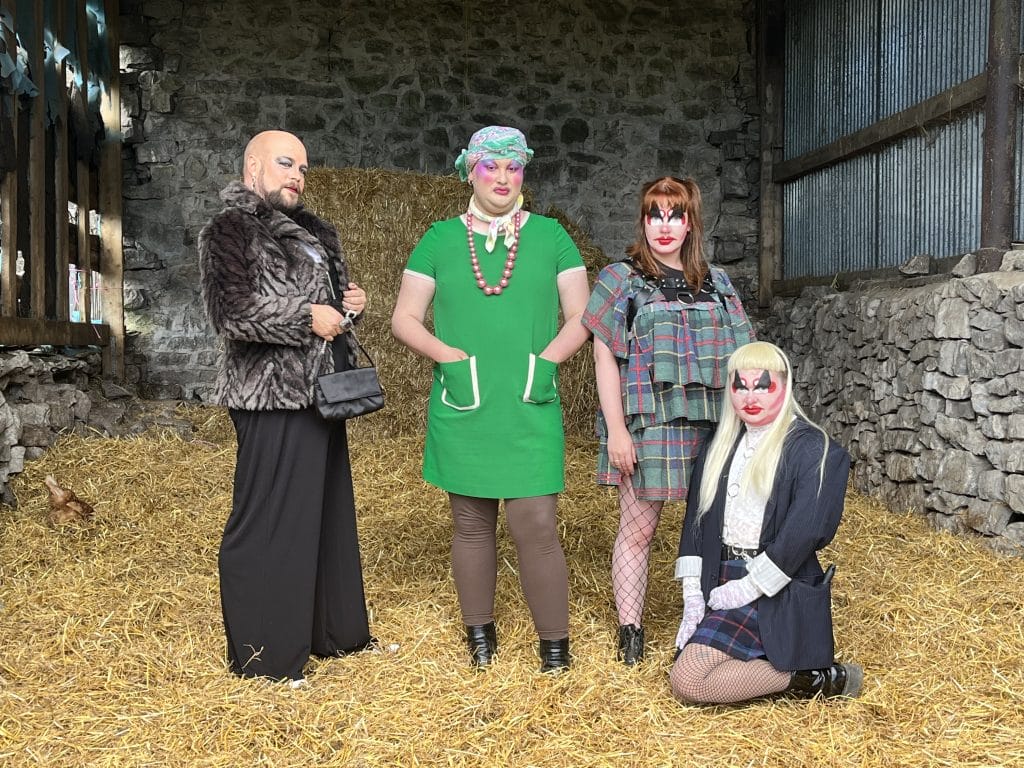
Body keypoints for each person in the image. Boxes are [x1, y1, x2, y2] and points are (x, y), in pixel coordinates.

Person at [391, 126, 590, 672]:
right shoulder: (438, 239)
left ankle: (554, 645)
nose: (503, 178)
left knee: (536, 525)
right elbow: (403, 320)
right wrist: (449, 359)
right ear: (470, 171)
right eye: (490, 167)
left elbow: (583, 318)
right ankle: (479, 634)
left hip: (530, 402)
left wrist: (546, 363)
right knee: (472, 524)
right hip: (466, 404)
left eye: (513, 167)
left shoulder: (553, 237)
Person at [199, 129, 374, 685]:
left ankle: (335, 637)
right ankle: (265, 659)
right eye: (284, 163)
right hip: (268, 395)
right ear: (253, 168)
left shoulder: (315, 232)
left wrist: (350, 306)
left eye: (302, 166)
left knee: (324, 517)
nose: (297, 174)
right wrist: (306, 316)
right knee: (268, 521)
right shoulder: (229, 229)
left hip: (320, 394)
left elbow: (330, 313)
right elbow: (232, 314)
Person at [581, 177, 754, 665]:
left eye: (674, 215)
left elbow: (748, 357)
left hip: (717, 425)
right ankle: (630, 633)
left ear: (690, 222)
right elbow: (603, 359)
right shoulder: (621, 279)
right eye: (654, 215)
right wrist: (616, 429)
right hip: (650, 423)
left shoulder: (718, 283)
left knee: (719, 530)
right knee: (638, 530)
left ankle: (710, 626)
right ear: (642, 220)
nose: (663, 226)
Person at [670, 341, 863, 704]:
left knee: (689, 682)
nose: (749, 396)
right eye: (740, 385)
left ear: (785, 385)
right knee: (689, 666)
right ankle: (795, 671)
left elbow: (805, 534)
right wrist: (693, 597)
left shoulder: (816, 451)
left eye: (763, 384)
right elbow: (695, 525)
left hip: (777, 587)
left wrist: (750, 587)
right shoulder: (717, 445)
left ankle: (811, 677)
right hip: (719, 580)